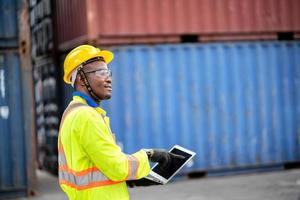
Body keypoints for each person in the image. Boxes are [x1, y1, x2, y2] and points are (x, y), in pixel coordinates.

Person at [58, 44, 184, 200]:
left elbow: (96, 167)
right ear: (80, 78)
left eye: (108, 72)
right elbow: (117, 168)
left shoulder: (72, 113)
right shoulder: (86, 116)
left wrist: (130, 180)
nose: (108, 78)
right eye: (100, 72)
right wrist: (148, 154)